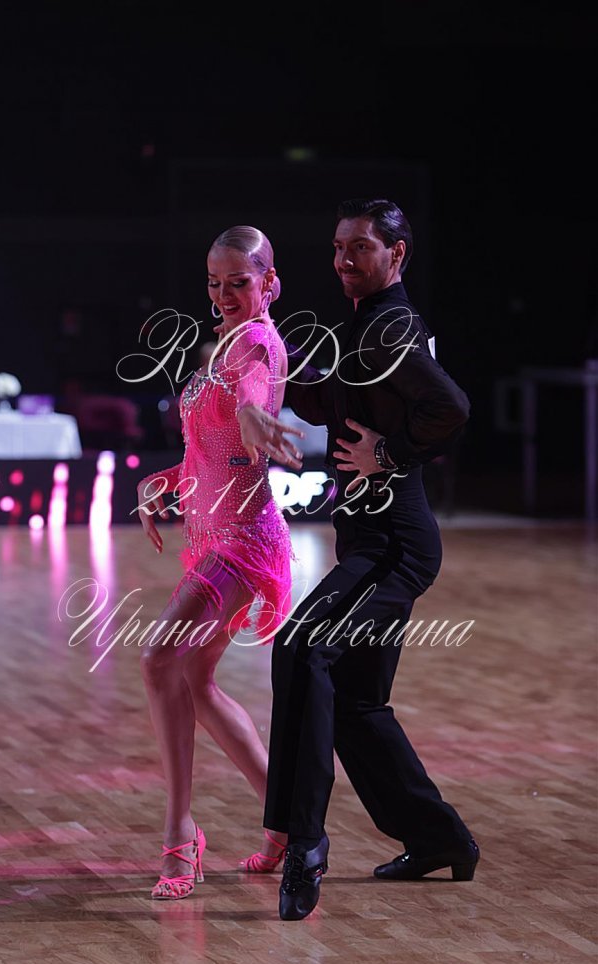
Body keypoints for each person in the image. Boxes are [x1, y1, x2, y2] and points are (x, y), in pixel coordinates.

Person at [237, 199, 480, 920]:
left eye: (361, 247)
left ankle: (304, 841)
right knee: (356, 703)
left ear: (397, 254)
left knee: (301, 645)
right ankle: (440, 838)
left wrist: (392, 453)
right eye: (339, 246)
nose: (344, 258)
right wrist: (265, 362)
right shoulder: (365, 327)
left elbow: (451, 407)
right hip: (371, 538)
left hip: (392, 545)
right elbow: (326, 401)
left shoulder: (390, 326)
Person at [136, 226, 304, 900]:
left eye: (240, 281)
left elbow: (251, 399)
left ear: (270, 282)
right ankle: (287, 823)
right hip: (212, 536)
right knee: (196, 680)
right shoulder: (228, 341)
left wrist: (255, 415)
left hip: (243, 541)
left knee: (159, 659)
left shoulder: (256, 344)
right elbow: (213, 451)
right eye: (214, 282)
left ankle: (181, 832)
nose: (225, 293)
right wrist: (168, 479)